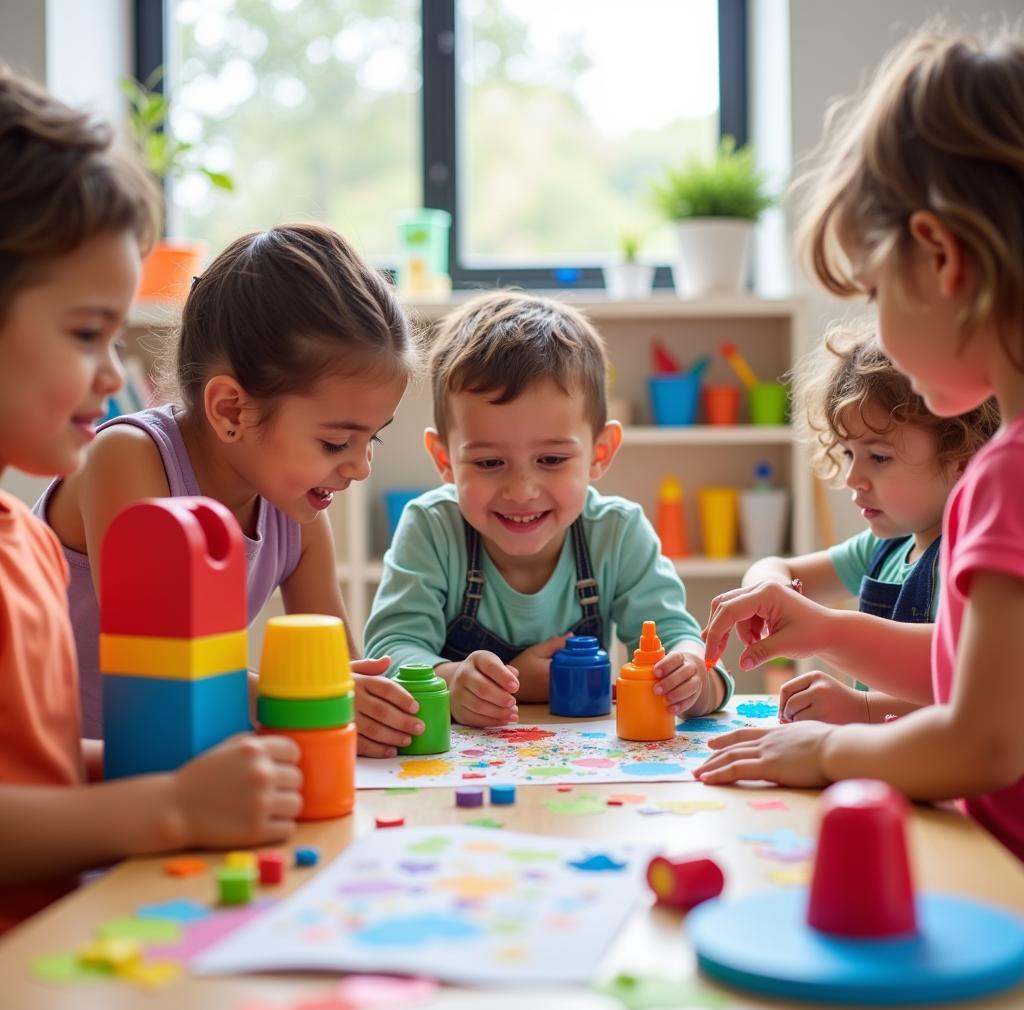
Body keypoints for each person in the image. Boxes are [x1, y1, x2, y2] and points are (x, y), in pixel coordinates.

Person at [695, 28, 1024, 862]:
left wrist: (826, 752)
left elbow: (983, 744)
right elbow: (977, 681)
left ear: (943, 258)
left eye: (876, 291)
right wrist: (827, 632)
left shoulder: (1005, 476)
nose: (875, 321)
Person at [0, 68, 302, 934]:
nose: (111, 374)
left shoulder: (22, 540)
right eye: (87, 332)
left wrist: (192, 779)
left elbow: (41, 776)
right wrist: (167, 805)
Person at [36, 222, 424, 757]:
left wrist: (372, 704)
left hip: (166, 768)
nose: (359, 468)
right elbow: (165, 662)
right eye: (336, 443)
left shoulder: (295, 512)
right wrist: (307, 696)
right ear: (230, 410)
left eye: (370, 439)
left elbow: (334, 668)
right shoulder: (126, 458)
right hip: (53, 778)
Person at [364, 290, 733, 729]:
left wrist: (692, 677)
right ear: (444, 459)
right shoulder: (432, 528)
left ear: (600, 452)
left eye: (552, 460)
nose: (521, 490)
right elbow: (390, 652)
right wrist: (450, 681)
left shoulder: (618, 532)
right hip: (455, 771)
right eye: (488, 463)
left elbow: (680, 641)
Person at [742, 320, 997, 725]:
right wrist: (770, 588)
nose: (851, 479)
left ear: (960, 455)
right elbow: (783, 569)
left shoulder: (965, 558)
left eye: (878, 457)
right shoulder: (884, 547)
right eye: (848, 455)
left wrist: (860, 709)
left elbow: (968, 682)